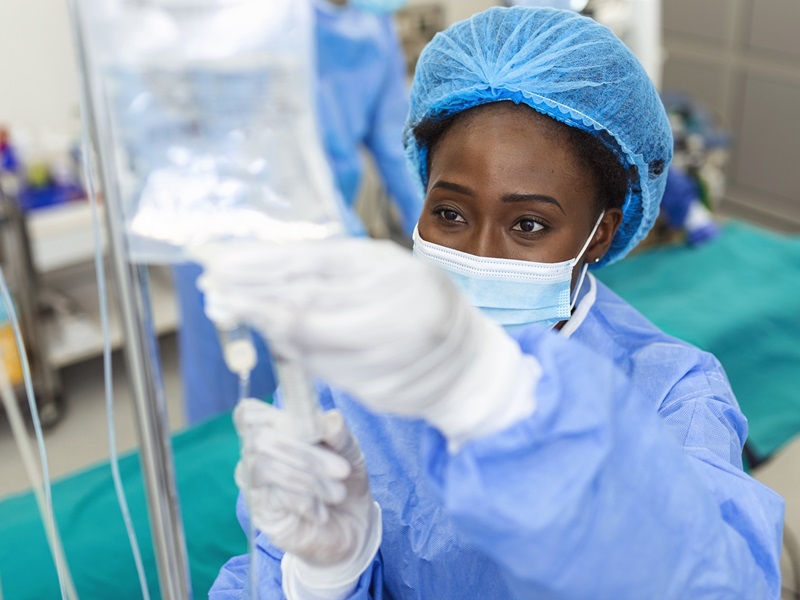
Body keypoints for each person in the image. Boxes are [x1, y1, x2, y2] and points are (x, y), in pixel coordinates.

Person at [202, 7, 784, 599]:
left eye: (528, 224)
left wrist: (497, 399)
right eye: (449, 213)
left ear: (601, 234)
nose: (479, 255)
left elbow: (718, 585)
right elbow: (265, 573)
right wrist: (326, 573)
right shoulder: (349, 375)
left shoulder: (674, 397)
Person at [174, 0, 422, 426]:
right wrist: (350, 254)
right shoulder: (262, 18)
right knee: (237, 401)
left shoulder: (372, 26)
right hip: (234, 232)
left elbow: (397, 148)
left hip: (326, 228)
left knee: (324, 408)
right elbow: (270, 158)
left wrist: (441, 248)